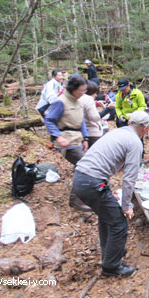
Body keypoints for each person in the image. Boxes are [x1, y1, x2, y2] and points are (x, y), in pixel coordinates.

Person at [73, 111, 149, 277]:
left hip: (81, 177)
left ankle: (109, 252)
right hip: (92, 182)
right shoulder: (135, 143)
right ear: (145, 129)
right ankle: (111, 267)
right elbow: (130, 178)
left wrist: (106, 189)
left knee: (106, 216)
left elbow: (100, 161)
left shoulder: (118, 132)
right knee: (119, 223)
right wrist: (126, 206)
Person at [44, 75, 91, 212]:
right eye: (81, 90)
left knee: (82, 165)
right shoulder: (61, 102)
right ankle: (75, 199)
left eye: (85, 90)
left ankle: (82, 191)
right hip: (66, 140)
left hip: (77, 138)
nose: (83, 93)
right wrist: (58, 137)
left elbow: (81, 122)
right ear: (73, 88)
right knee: (85, 165)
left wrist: (86, 138)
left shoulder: (79, 101)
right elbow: (49, 120)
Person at [80, 80, 116, 148]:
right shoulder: (89, 100)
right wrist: (108, 108)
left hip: (84, 133)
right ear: (91, 92)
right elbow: (95, 118)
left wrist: (96, 103)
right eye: (95, 93)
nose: (96, 95)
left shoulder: (80, 97)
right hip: (92, 133)